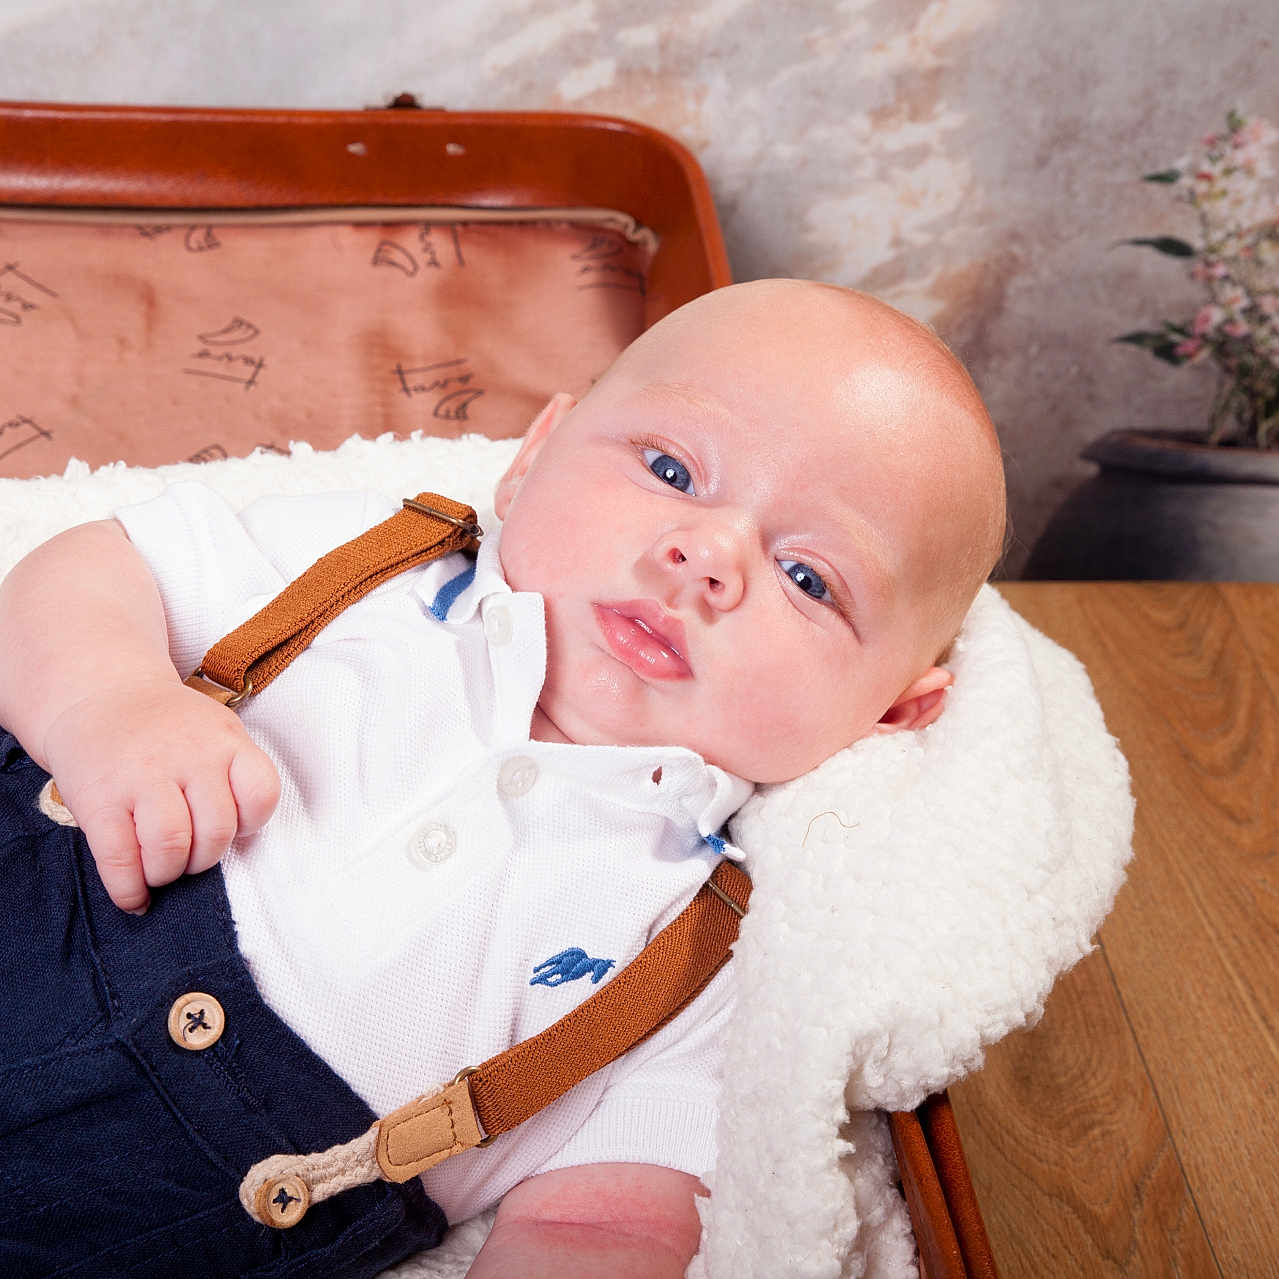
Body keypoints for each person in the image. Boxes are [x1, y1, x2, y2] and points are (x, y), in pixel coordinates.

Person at [0, 279, 1006, 1279]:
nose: (706, 556)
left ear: (891, 711)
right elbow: (95, 568)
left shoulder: (703, 949)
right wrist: (109, 702)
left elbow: (606, 1224)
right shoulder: (371, 568)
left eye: (808, 577)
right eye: (670, 469)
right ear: (532, 459)